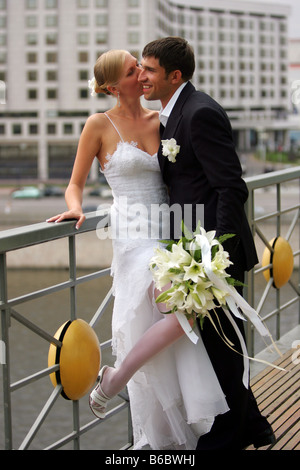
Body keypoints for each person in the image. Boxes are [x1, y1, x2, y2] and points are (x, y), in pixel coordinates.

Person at [47, 49, 230, 450]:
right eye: (135, 72)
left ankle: (123, 388)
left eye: (145, 69)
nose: (143, 77)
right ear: (114, 85)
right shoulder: (98, 124)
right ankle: (127, 397)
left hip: (168, 234)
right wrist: (75, 207)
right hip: (131, 237)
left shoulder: (162, 122)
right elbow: (75, 183)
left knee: (176, 318)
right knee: (177, 313)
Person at [138, 36, 276, 450]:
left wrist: (214, 256)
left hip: (214, 252)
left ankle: (230, 436)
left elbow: (231, 188)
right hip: (192, 248)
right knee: (216, 345)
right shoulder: (174, 113)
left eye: (149, 70)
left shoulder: (199, 113)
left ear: (173, 75)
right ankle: (253, 426)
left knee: (222, 348)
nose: (142, 76)